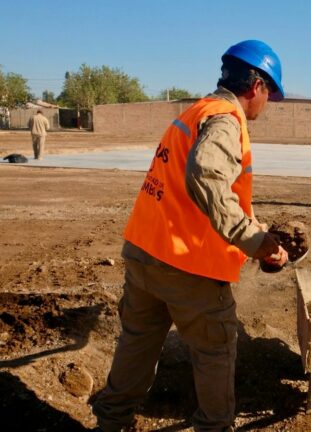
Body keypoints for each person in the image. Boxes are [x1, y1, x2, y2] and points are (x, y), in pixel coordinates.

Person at [91, 39, 289, 432]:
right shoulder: (226, 120)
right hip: (189, 266)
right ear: (258, 86)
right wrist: (255, 242)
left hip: (146, 253)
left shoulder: (196, 111)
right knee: (215, 350)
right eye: (270, 95)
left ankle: (111, 424)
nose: (266, 105)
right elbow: (204, 175)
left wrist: (256, 224)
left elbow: (190, 192)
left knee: (137, 344)